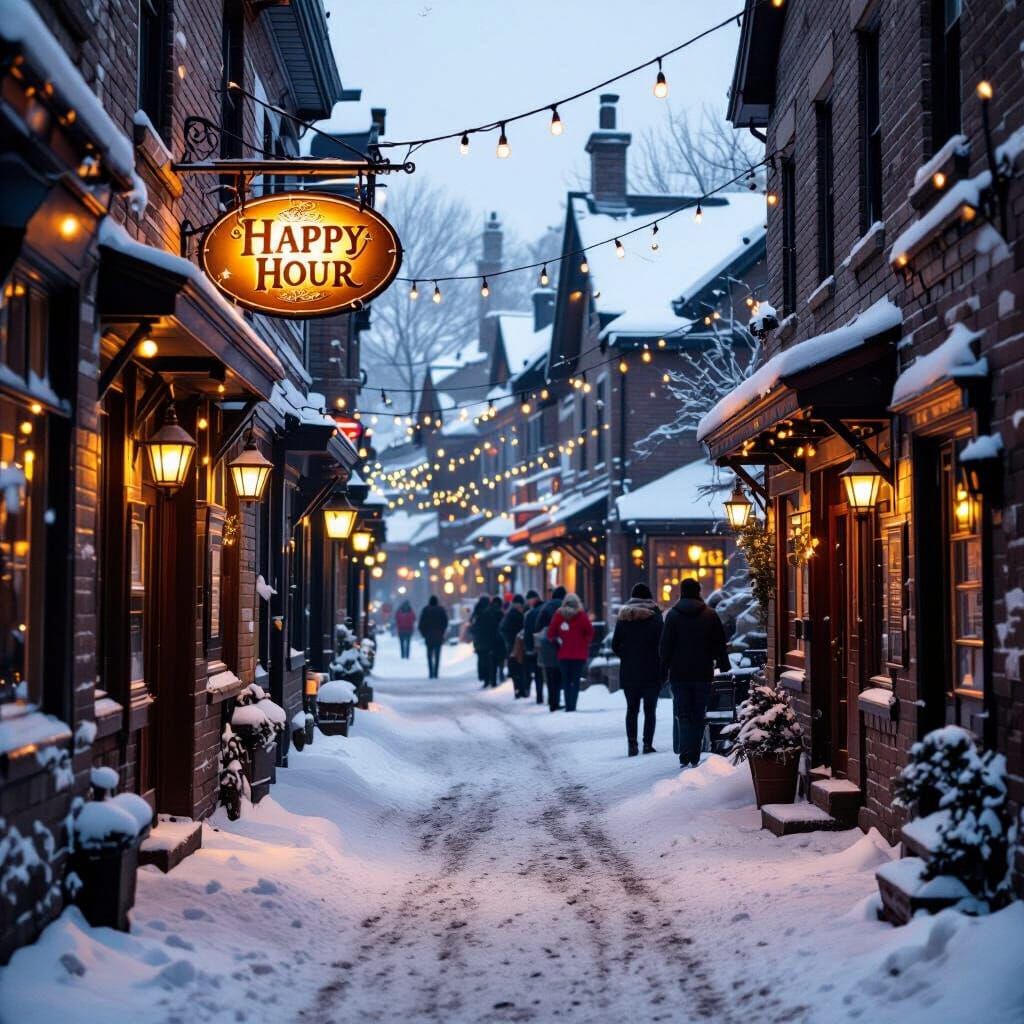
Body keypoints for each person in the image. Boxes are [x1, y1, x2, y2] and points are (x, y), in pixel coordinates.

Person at [659, 577, 730, 769]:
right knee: (699, 713)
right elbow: (719, 644)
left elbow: (665, 646)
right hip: (703, 672)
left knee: (683, 714)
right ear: (699, 591)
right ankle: (695, 755)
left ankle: (684, 752)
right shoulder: (710, 615)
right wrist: (724, 664)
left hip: (679, 674)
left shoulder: (673, 616)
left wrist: (663, 670)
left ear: (681, 592)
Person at [611, 583, 665, 756]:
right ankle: (647, 743)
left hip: (630, 671)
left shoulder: (624, 617)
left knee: (632, 710)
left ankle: (632, 744)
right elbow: (663, 645)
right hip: (652, 670)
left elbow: (615, 645)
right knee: (650, 711)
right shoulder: (656, 618)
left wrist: (627, 655)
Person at [546, 592, 594, 712]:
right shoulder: (582, 615)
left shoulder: (559, 615)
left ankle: (568, 706)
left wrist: (559, 639)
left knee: (566, 680)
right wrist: (584, 641)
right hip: (579, 654)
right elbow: (590, 632)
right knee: (575, 680)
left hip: (563, 654)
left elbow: (550, 634)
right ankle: (573, 705)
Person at [535, 585, 566, 710]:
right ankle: (557, 701)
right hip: (562, 645)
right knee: (559, 674)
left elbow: (537, 627)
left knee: (550, 674)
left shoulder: (545, 607)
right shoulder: (565, 608)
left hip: (547, 645)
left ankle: (552, 701)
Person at [474, 596, 504, 688]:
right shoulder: (499, 613)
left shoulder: (483, 613)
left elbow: (476, 627)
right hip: (496, 641)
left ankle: (487, 679)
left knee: (485, 661)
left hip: (483, 641)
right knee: (496, 661)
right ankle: (495, 678)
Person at [500, 594, 527, 697]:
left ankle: (517, 690)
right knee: (520, 669)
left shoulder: (509, 615)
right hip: (517, 647)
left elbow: (502, 629)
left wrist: (508, 641)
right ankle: (521, 690)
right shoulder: (518, 616)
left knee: (515, 669)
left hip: (511, 647)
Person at [520, 590, 543, 704]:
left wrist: (529, 648)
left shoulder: (530, 614)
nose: (528, 602)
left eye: (529, 600)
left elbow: (528, 632)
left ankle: (540, 696)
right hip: (548, 645)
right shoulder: (545, 608)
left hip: (535, 647)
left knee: (538, 672)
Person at [418, 596, 449, 679]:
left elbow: (421, 624)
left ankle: (431, 672)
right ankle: (436, 672)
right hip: (439, 636)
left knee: (429, 655)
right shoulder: (441, 610)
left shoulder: (426, 610)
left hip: (429, 636)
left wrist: (424, 634)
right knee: (437, 655)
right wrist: (442, 632)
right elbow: (445, 622)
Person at [469, 596, 491, 682]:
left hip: (478, 639)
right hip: (487, 639)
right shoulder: (489, 612)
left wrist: (474, 633)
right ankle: (487, 677)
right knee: (487, 658)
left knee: (481, 658)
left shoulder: (476, 612)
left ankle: (482, 675)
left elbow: (472, 625)